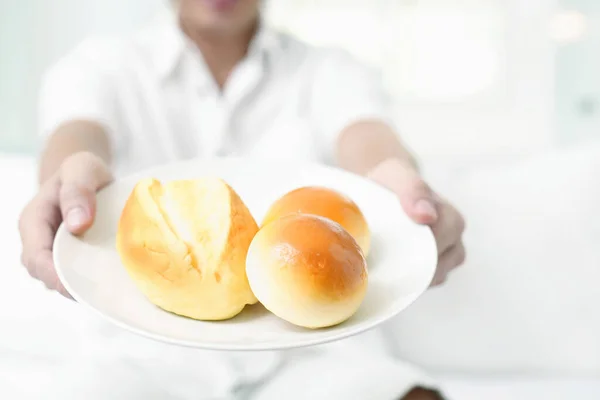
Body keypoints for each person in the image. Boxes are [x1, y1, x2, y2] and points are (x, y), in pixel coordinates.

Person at [18, 0, 465, 399]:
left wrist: (396, 180)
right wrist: (67, 176)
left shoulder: (330, 70)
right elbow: (78, 136)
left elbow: (368, 138)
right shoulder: (101, 65)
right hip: (142, 357)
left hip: (321, 354)